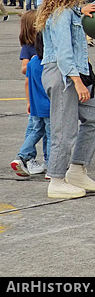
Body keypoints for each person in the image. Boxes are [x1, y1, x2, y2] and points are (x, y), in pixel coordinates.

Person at [37, 0, 95, 199]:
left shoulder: (66, 10)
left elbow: (71, 14)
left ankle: (76, 169)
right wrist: (76, 82)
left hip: (73, 72)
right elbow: (64, 53)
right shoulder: (60, 14)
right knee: (63, 130)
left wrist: (80, 9)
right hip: (63, 74)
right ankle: (56, 180)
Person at [11, 12, 49, 177]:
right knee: (46, 131)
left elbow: (27, 80)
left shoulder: (34, 53)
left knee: (35, 129)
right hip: (44, 100)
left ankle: (27, 158)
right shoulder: (34, 50)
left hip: (34, 100)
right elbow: (24, 70)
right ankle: (27, 156)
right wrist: (36, 65)